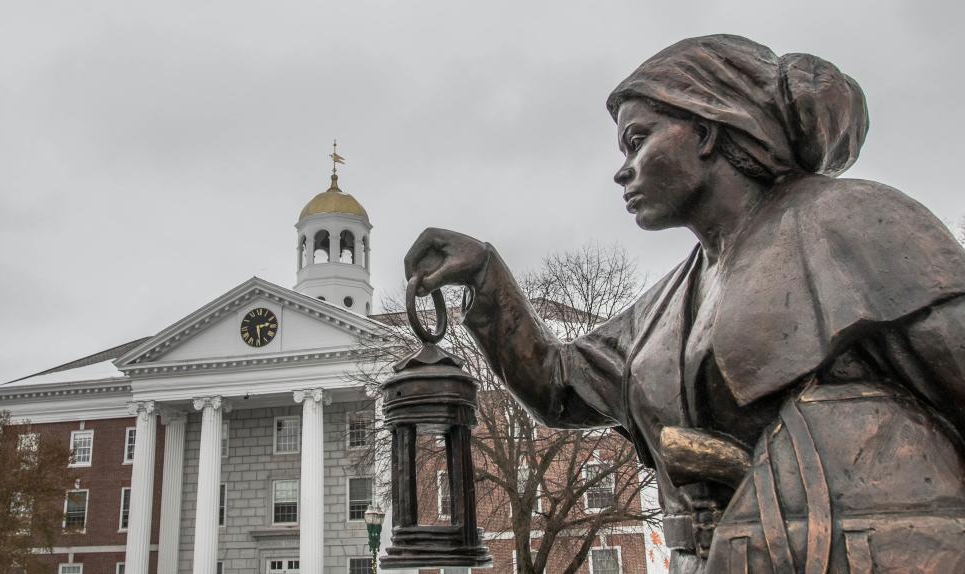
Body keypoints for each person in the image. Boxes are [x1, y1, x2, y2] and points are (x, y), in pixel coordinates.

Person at [403, 35, 965, 573]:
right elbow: (557, 385)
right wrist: (484, 274)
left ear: (703, 132)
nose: (622, 169)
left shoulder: (856, 221)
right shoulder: (667, 303)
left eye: (637, 139)